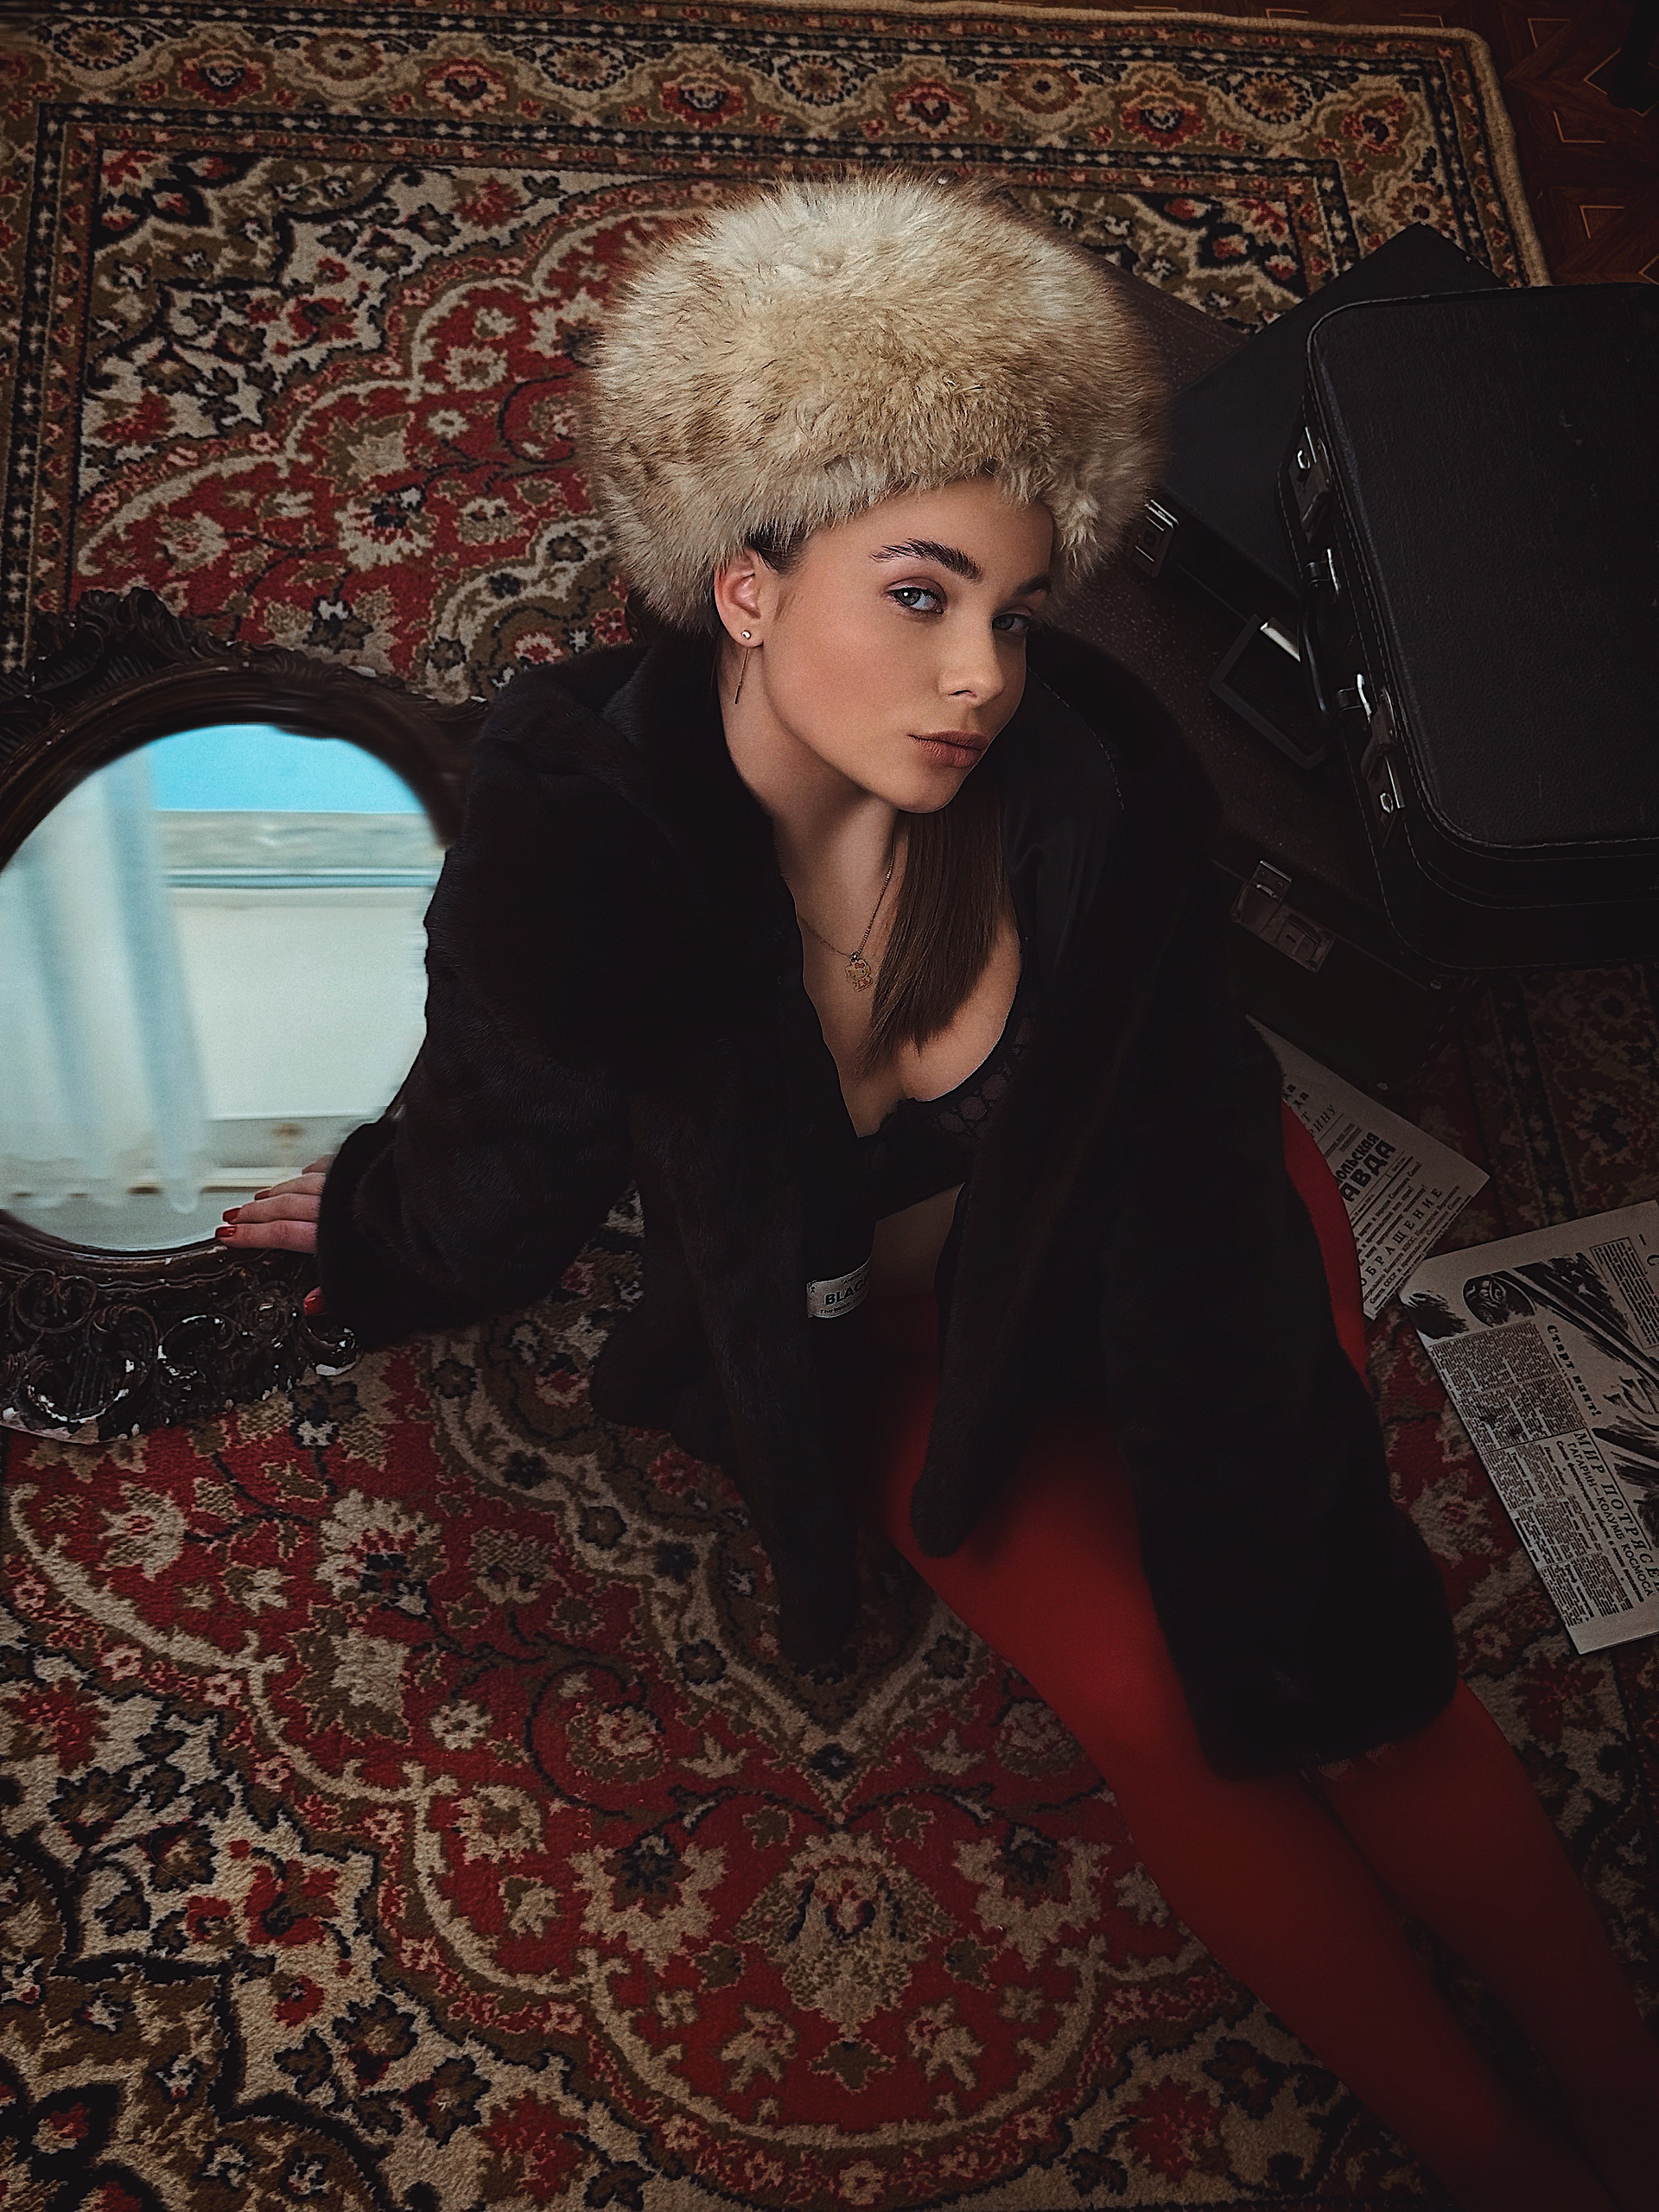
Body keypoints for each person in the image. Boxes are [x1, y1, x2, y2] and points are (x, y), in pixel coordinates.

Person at [217, 171, 1659, 2209]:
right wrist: (373, 1228)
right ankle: (1494, 2154)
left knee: (1345, 1668)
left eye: (1012, 605)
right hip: (893, 1347)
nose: (983, 671)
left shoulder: (1097, 782)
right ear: (743, 581)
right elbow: (505, 1150)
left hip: (1177, 1239)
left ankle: (1633, 2096)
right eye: (920, 594)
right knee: (1159, 1700)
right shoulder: (581, 833)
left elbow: (1197, 1188)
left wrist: (1279, 1554)